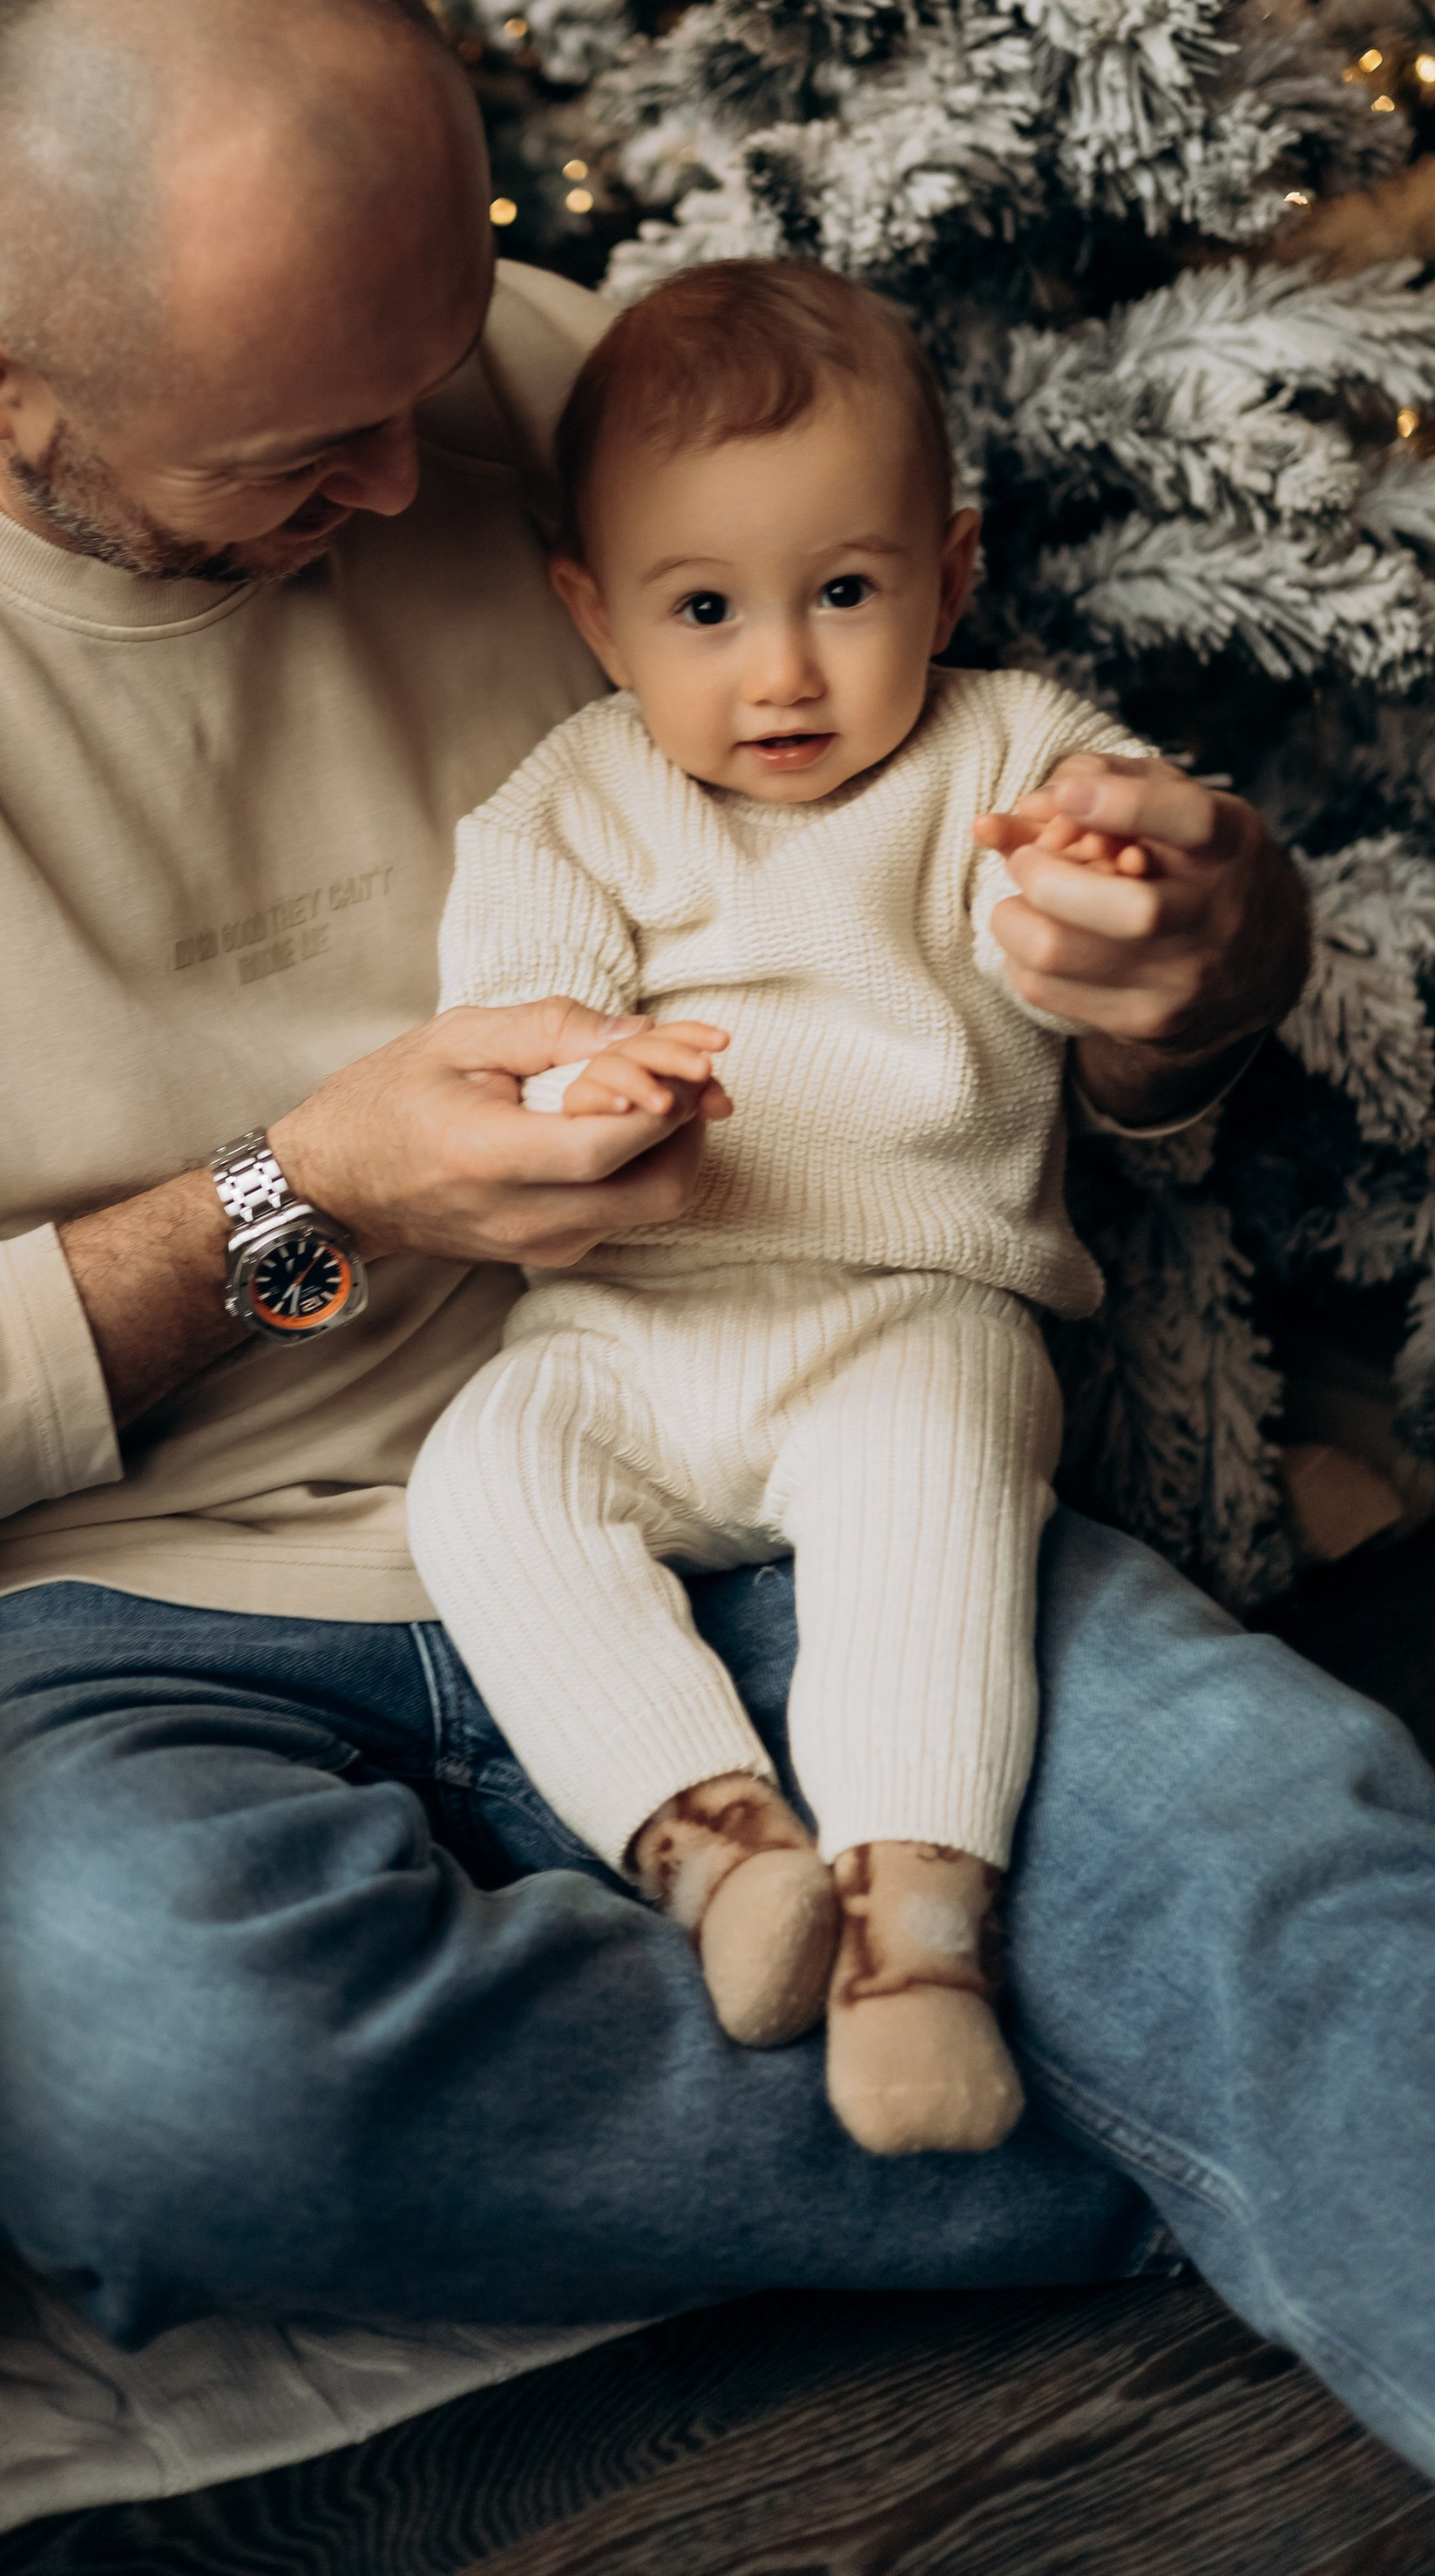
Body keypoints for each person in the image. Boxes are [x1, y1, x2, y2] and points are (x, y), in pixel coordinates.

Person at [0, 0, 1435, 2484]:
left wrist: (1191, 984)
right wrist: (311, 1203)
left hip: (737, 1414)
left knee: (1282, 1841)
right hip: (106, 1614)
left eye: (431, 368)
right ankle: (1157, 2108)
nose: (408, 487)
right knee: (140, 2065)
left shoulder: (523, 394)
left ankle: (1107, 2037)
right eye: (297, 460)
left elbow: (950, 924)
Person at [404, 258, 1153, 2160]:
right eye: (703, 611)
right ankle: (723, 1851)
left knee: (930, 1517)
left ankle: (917, 1942)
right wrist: (590, 1087)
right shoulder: (564, 808)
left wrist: (1100, 875)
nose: (783, 674)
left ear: (948, 578)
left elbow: (1094, 865)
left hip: (905, 1305)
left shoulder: (997, 755)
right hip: (630, 1331)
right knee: (482, 1482)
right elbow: (515, 1034)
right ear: (592, 615)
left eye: (843, 592)